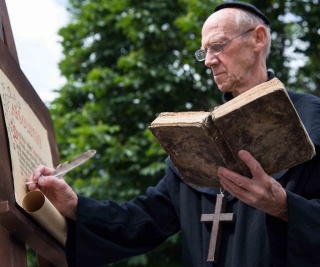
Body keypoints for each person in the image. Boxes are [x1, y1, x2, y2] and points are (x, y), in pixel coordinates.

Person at [28, 1, 320, 266]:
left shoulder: (312, 119)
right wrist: (77, 206)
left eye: (218, 46)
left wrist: (285, 207)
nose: (208, 61)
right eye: (204, 52)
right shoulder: (196, 140)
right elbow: (141, 221)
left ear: (258, 38)